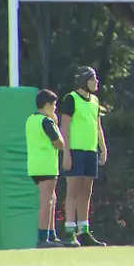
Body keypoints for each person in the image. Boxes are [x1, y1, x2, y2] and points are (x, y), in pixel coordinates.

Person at [59, 66, 107, 247]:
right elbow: (65, 127)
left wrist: (102, 147)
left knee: (86, 192)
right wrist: (67, 153)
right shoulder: (70, 99)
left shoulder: (95, 100)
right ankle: (69, 230)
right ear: (83, 81)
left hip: (90, 150)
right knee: (72, 191)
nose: (96, 82)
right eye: (93, 79)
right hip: (76, 150)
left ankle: (83, 230)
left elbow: (97, 125)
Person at [26, 89, 66, 248]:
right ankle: (43, 237)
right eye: (54, 105)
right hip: (47, 166)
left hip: (35, 165)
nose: (55, 108)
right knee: (47, 201)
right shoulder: (46, 121)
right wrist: (56, 123)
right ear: (47, 105)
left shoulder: (30, 120)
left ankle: (51, 234)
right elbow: (59, 143)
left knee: (52, 199)